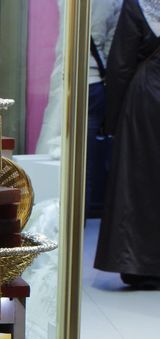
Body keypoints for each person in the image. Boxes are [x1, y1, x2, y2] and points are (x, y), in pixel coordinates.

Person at [96, 0, 160, 286]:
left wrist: (112, 120)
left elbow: (121, 63)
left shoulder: (141, 4)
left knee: (139, 182)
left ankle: (137, 264)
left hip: (147, 98)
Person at [87, 0, 123, 217]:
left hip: (71, 81)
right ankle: (81, 216)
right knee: (87, 161)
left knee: (72, 157)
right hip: (94, 81)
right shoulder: (114, 3)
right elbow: (112, 48)